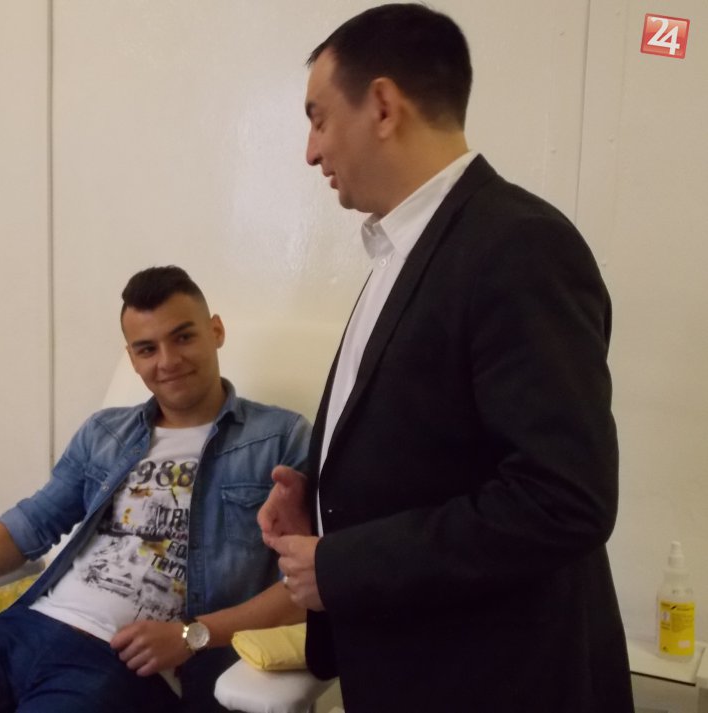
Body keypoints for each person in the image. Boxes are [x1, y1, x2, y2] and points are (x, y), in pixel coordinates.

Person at [258, 5, 633, 712]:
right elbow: (434, 435)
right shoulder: (405, 250)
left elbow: (562, 500)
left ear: (382, 106)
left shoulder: (519, 245)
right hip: (409, 666)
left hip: (495, 679)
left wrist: (343, 562)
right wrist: (320, 496)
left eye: (318, 118)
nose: (310, 151)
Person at [0, 265, 310, 713]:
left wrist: (194, 635)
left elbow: (308, 582)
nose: (168, 361)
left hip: (126, 665)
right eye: (147, 349)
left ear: (216, 331)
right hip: (25, 629)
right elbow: (28, 526)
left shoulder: (280, 439)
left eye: (183, 337)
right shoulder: (105, 433)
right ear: (132, 358)